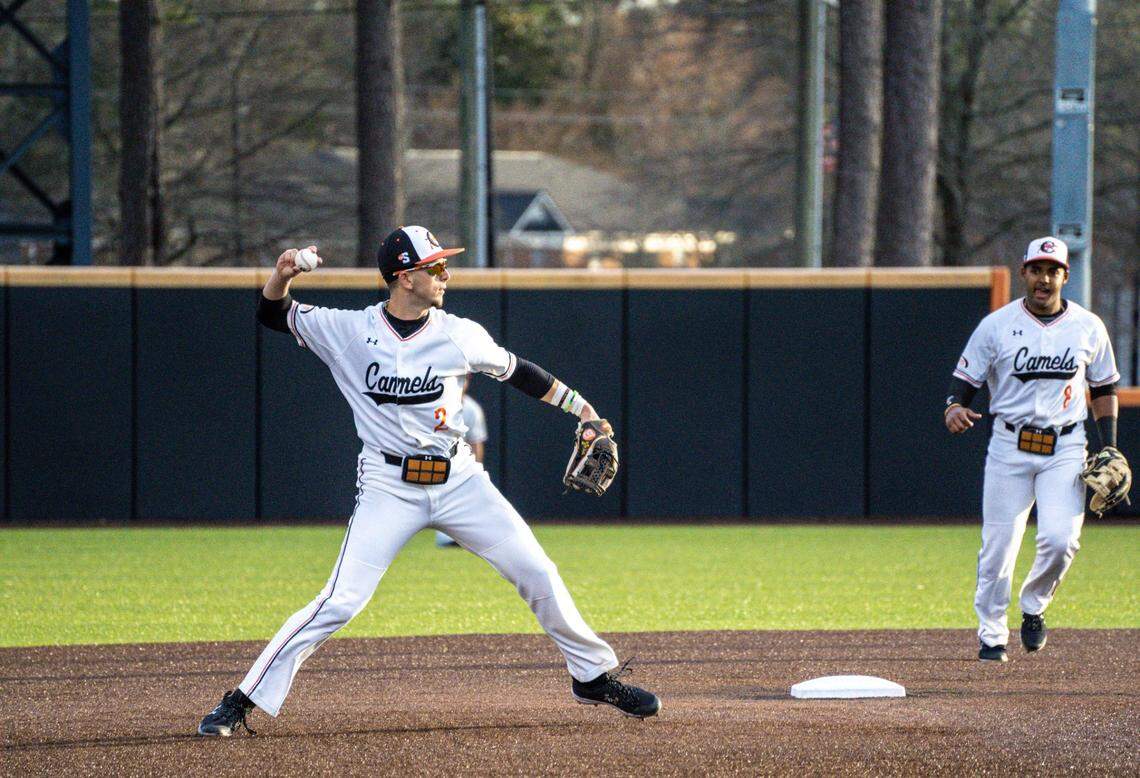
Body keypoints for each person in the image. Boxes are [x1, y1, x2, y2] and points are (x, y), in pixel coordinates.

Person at [196, 226, 659, 736]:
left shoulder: (459, 332)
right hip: (388, 485)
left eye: (443, 264)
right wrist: (281, 277)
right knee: (340, 601)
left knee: (539, 572)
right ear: (404, 277)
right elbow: (272, 315)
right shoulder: (349, 330)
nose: (446, 274)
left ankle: (592, 676)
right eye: (435, 266)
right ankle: (241, 701)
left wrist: (583, 409)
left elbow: (521, 372)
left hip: (461, 481)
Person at [944, 236, 1122, 662]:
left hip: (1066, 444)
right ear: (1024, 272)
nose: (1044, 279)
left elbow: (1103, 386)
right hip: (1009, 445)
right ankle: (991, 634)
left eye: (1053, 270)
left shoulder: (1088, 326)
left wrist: (1111, 447)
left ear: (1065, 275)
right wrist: (953, 407)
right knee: (999, 547)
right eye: (1037, 270)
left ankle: (1034, 606)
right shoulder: (997, 325)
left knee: (1061, 540)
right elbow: (966, 380)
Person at [436, 374, 486, 547]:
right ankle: (445, 538)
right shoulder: (436, 404)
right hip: (437, 465)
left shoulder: (471, 409)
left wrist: (475, 469)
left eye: (464, 380)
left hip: (461, 465)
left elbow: (476, 444)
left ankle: (467, 537)